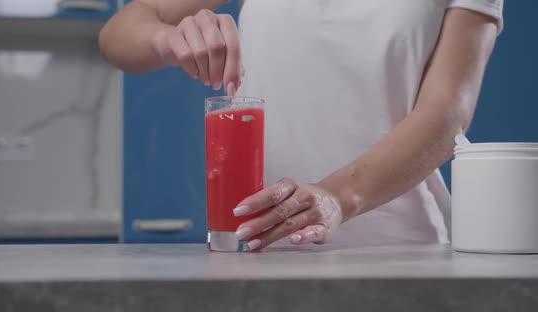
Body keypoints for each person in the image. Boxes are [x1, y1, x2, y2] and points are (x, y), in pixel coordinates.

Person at [100, 0, 503, 251]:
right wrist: (167, 38)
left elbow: (447, 112)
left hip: (400, 249)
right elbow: (119, 34)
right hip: (267, 243)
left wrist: (334, 198)